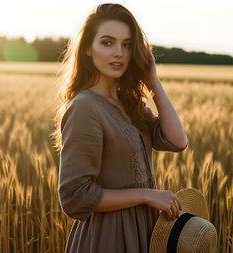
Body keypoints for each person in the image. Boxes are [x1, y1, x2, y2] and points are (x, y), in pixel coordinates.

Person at [54, 3, 188, 252]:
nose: (119, 52)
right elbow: (75, 196)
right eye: (107, 42)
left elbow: (178, 141)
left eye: (127, 44)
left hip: (144, 232)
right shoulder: (85, 107)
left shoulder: (130, 104)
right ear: (87, 49)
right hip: (107, 237)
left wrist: (153, 84)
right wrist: (147, 195)